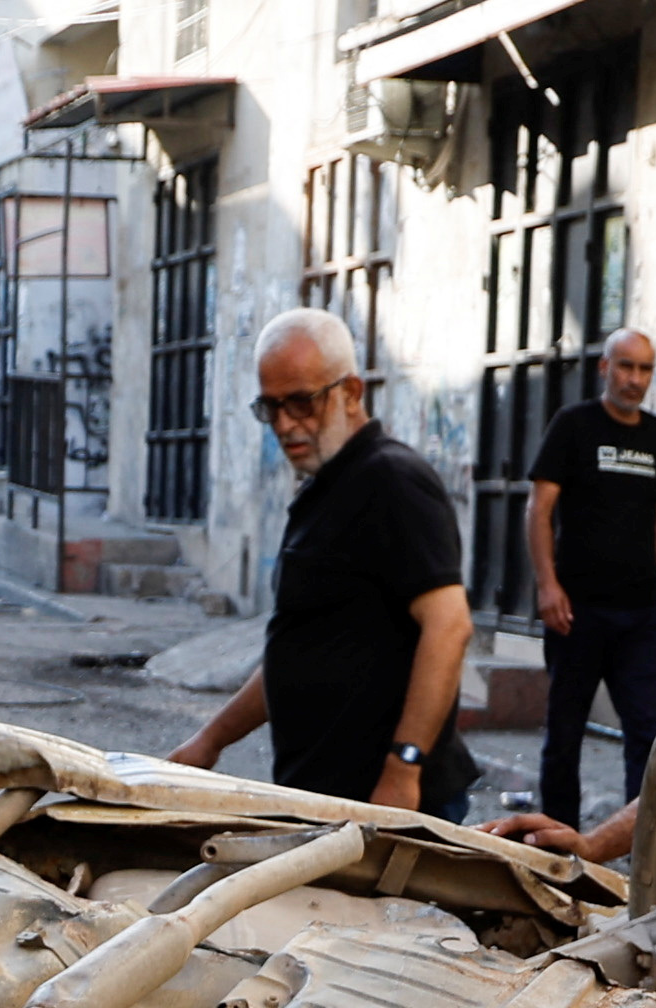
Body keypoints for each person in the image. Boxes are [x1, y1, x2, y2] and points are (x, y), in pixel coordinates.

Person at [184, 309, 476, 814]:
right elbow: (299, 649)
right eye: (270, 408)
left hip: (386, 801)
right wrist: (210, 741)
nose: (285, 424)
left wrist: (403, 769)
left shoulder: (392, 479)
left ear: (352, 392)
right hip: (323, 798)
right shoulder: (325, 487)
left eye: (301, 402)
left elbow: (449, 628)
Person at [524, 333, 656, 825]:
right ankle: (558, 841)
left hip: (641, 615)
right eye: (626, 367)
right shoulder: (573, 426)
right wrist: (548, 585)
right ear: (604, 368)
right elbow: (539, 508)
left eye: (645, 369)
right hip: (577, 613)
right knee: (564, 733)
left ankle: (643, 846)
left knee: (648, 736)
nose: (635, 380)